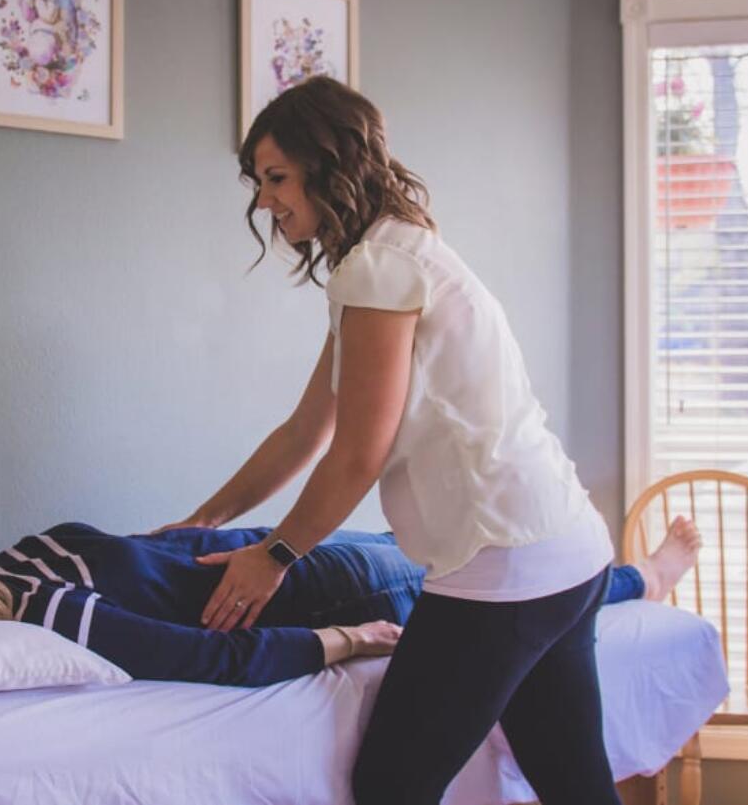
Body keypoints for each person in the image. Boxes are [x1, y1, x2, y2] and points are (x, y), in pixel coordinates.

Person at [147, 77, 689, 804]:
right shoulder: (386, 258)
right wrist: (204, 519)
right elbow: (306, 429)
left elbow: (357, 454)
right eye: (259, 181)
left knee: (391, 787)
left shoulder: (378, 268)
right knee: (575, 786)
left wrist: (275, 555)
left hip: (504, 568)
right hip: (564, 549)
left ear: (328, 163)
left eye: (276, 177)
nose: (266, 200)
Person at [0, 516, 700, 689]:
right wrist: (342, 641)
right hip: (324, 590)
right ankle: (639, 580)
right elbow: (211, 657)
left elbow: (139, 560)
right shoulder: (44, 616)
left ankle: (622, 572)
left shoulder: (15, 566)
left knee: (504, 559)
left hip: (280, 549)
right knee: (517, 588)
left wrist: (185, 530)